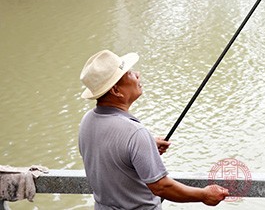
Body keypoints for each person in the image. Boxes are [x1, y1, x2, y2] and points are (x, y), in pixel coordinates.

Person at [78, 49, 229, 209]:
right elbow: (161, 186)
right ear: (116, 91)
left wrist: (146, 147)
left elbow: (112, 159)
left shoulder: (87, 121)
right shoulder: (135, 133)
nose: (137, 74)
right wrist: (204, 195)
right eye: (129, 73)